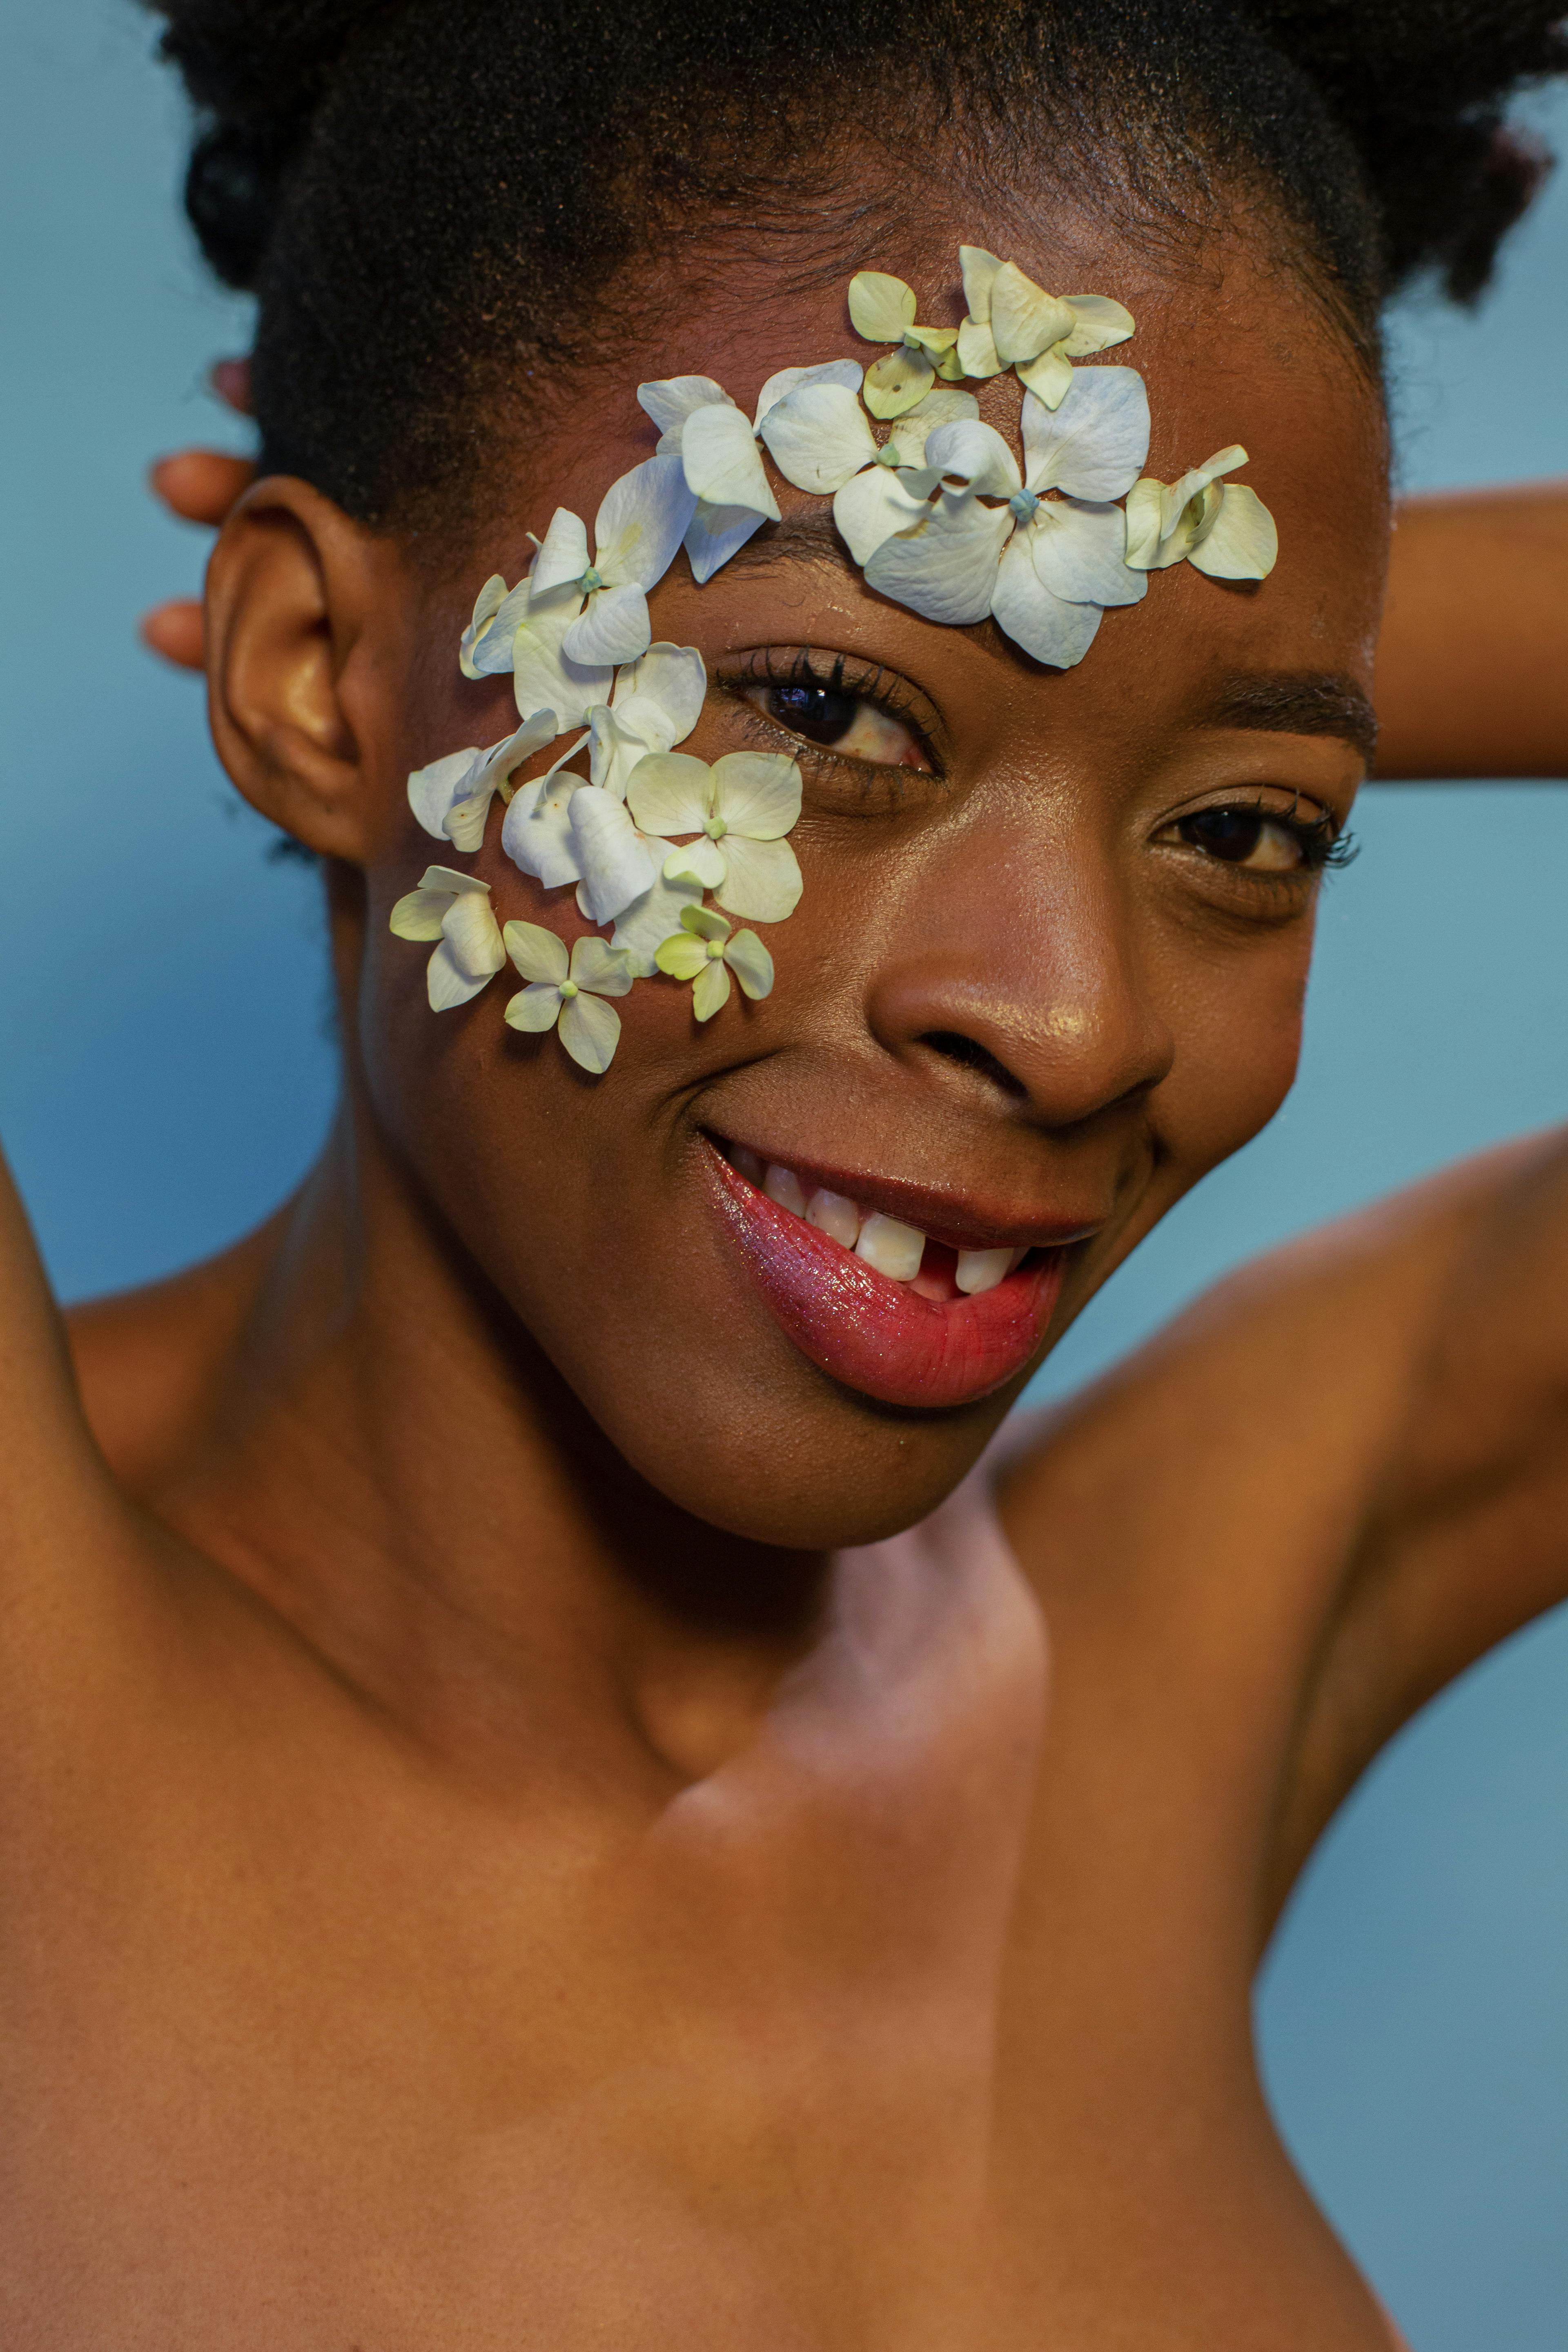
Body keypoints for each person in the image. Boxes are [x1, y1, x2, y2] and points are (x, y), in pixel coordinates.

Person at [6, 1, 1568, 2343]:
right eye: (825, 713)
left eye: (1249, 832)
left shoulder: (1164, 1668)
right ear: (319, 677)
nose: (1076, 1020)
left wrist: (1150, 631)